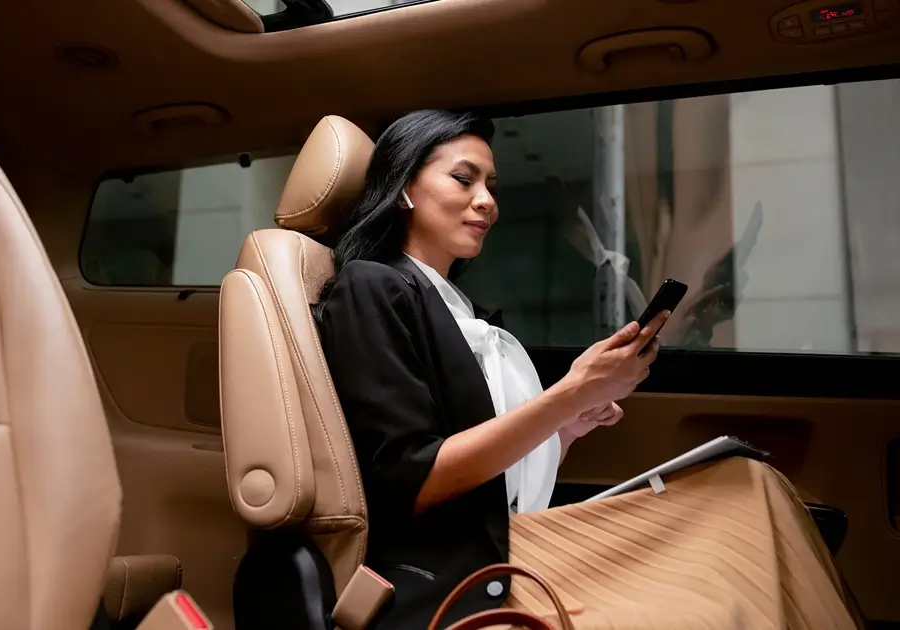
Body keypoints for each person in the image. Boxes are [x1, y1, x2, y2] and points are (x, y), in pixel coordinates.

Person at [313, 109, 859, 630]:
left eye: (492, 186)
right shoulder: (372, 284)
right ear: (405, 186)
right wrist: (569, 395)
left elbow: (504, 484)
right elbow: (410, 481)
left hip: (511, 536)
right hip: (462, 572)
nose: (486, 202)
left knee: (751, 489)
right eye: (463, 179)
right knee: (746, 493)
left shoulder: (458, 309)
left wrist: (565, 429)